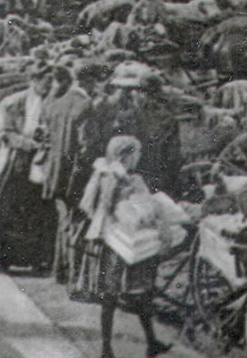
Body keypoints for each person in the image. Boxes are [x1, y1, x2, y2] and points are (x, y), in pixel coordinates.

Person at [78, 135, 172, 358]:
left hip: (108, 240)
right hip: (130, 243)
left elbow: (92, 205)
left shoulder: (102, 174)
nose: (139, 157)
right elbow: (147, 209)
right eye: (137, 153)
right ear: (127, 156)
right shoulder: (131, 180)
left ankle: (107, 348)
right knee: (141, 292)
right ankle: (150, 342)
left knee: (109, 297)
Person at [0, 63, 56, 272]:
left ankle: (37, 258)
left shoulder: (52, 102)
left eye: (50, 83)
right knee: (8, 207)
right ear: (34, 81)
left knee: (38, 209)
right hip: (15, 161)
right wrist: (28, 143)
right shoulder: (13, 102)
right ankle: (0, 257)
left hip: (40, 161)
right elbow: (4, 132)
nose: (48, 87)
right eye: (44, 82)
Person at [40, 63, 92, 283]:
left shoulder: (52, 104)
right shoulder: (85, 105)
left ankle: (60, 270)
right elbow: (85, 143)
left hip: (54, 171)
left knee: (63, 220)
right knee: (76, 221)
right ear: (89, 82)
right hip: (75, 171)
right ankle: (73, 273)